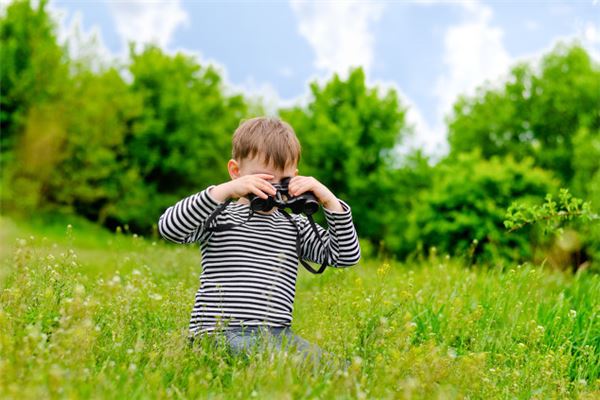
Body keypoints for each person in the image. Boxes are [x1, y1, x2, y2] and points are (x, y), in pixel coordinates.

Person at [157, 116, 361, 369]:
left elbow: (345, 256)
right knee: (278, 362)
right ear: (236, 171)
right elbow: (169, 228)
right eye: (263, 179)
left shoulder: (293, 225)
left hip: (277, 335)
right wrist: (224, 191)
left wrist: (330, 201)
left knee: (341, 369)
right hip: (218, 333)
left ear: (295, 177)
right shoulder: (220, 214)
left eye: (282, 181)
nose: (273, 190)